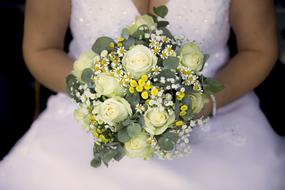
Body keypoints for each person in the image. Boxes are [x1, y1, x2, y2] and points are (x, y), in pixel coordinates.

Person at [0, 0, 284, 189]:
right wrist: (102, 98)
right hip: (90, 114)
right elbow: (41, 48)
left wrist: (199, 103)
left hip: (217, 108)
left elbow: (258, 49)